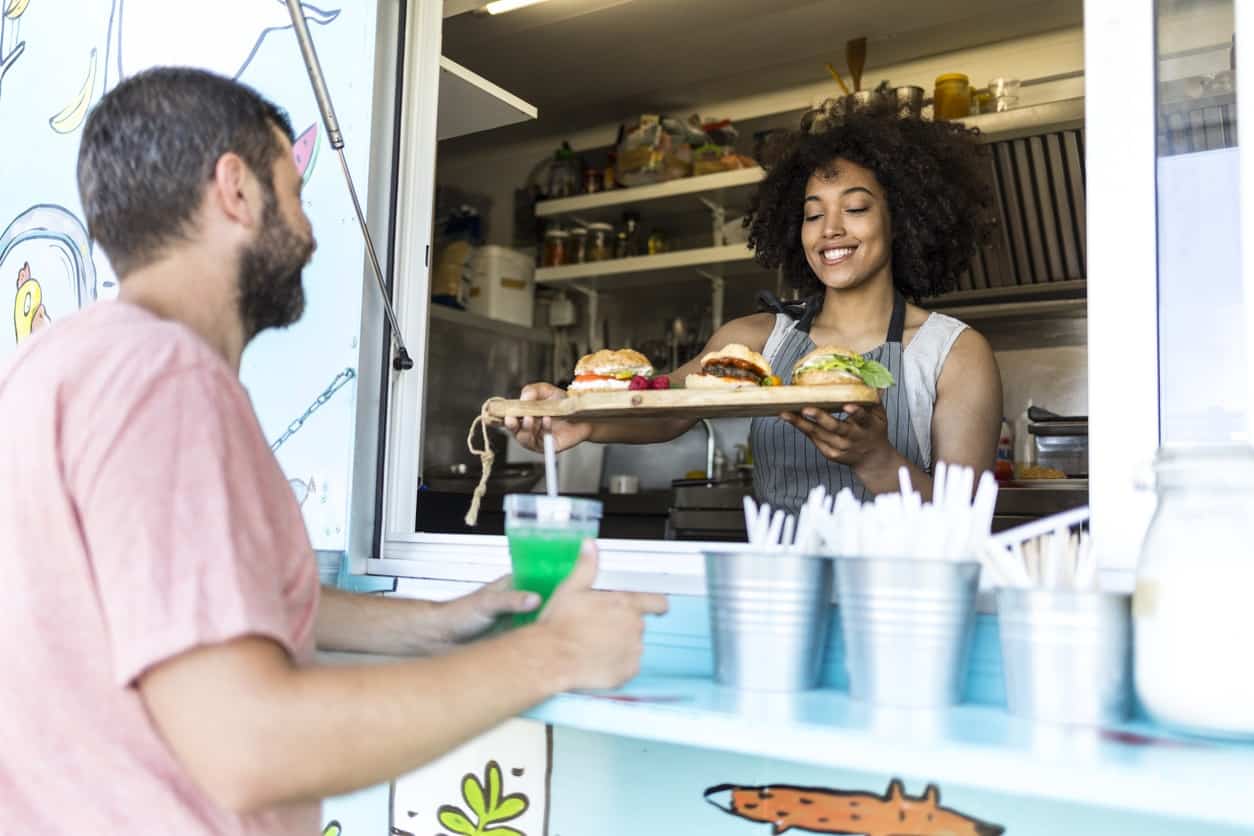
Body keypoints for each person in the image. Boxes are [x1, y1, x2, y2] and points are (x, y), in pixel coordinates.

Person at [0, 67, 666, 832]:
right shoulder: (167, 380)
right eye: (296, 194)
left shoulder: (50, 365)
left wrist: (444, 618)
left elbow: (191, 605)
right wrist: (555, 655)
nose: (309, 233)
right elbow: (249, 744)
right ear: (236, 190)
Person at [509, 102, 1003, 509]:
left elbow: (964, 522)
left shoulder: (954, 354)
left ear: (903, 220)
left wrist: (875, 458)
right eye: (813, 214)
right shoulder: (755, 340)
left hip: (896, 603)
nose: (830, 229)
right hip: (776, 591)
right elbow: (666, 410)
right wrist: (581, 417)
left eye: (855, 209)